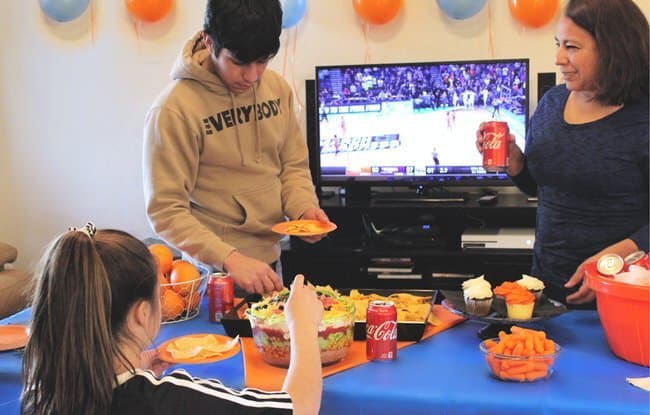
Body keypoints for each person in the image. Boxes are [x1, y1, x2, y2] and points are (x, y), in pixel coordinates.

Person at [21, 224, 324, 415]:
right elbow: (299, 407)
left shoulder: (39, 393)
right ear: (141, 316)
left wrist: (134, 366)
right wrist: (302, 327)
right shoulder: (171, 399)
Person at [142, 0, 330, 295]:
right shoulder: (173, 111)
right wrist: (230, 259)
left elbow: (292, 167)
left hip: (271, 262)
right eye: (239, 62)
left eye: (263, 61)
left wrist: (304, 210)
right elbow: (166, 211)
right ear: (209, 41)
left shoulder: (277, 89)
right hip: (211, 274)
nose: (253, 76)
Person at [476, 0, 649, 308]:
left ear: (614, 49)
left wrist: (614, 259)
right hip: (546, 289)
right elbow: (542, 186)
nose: (558, 59)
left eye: (571, 47)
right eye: (558, 44)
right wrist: (515, 162)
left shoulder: (643, 116)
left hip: (623, 294)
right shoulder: (551, 103)